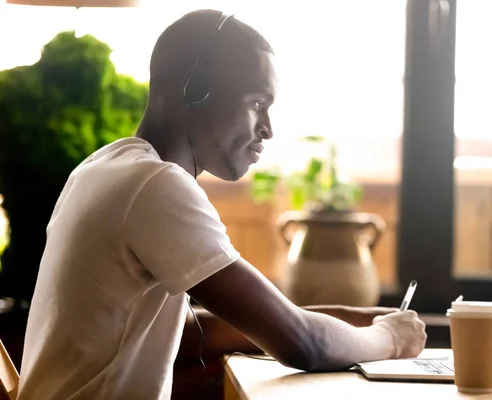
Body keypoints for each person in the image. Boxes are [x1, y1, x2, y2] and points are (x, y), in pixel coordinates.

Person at [16, 9, 427, 400]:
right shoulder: (156, 185)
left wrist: (355, 321)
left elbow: (198, 332)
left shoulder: (104, 166)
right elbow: (303, 344)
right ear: (195, 88)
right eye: (257, 104)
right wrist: (390, 339)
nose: (267, 128)